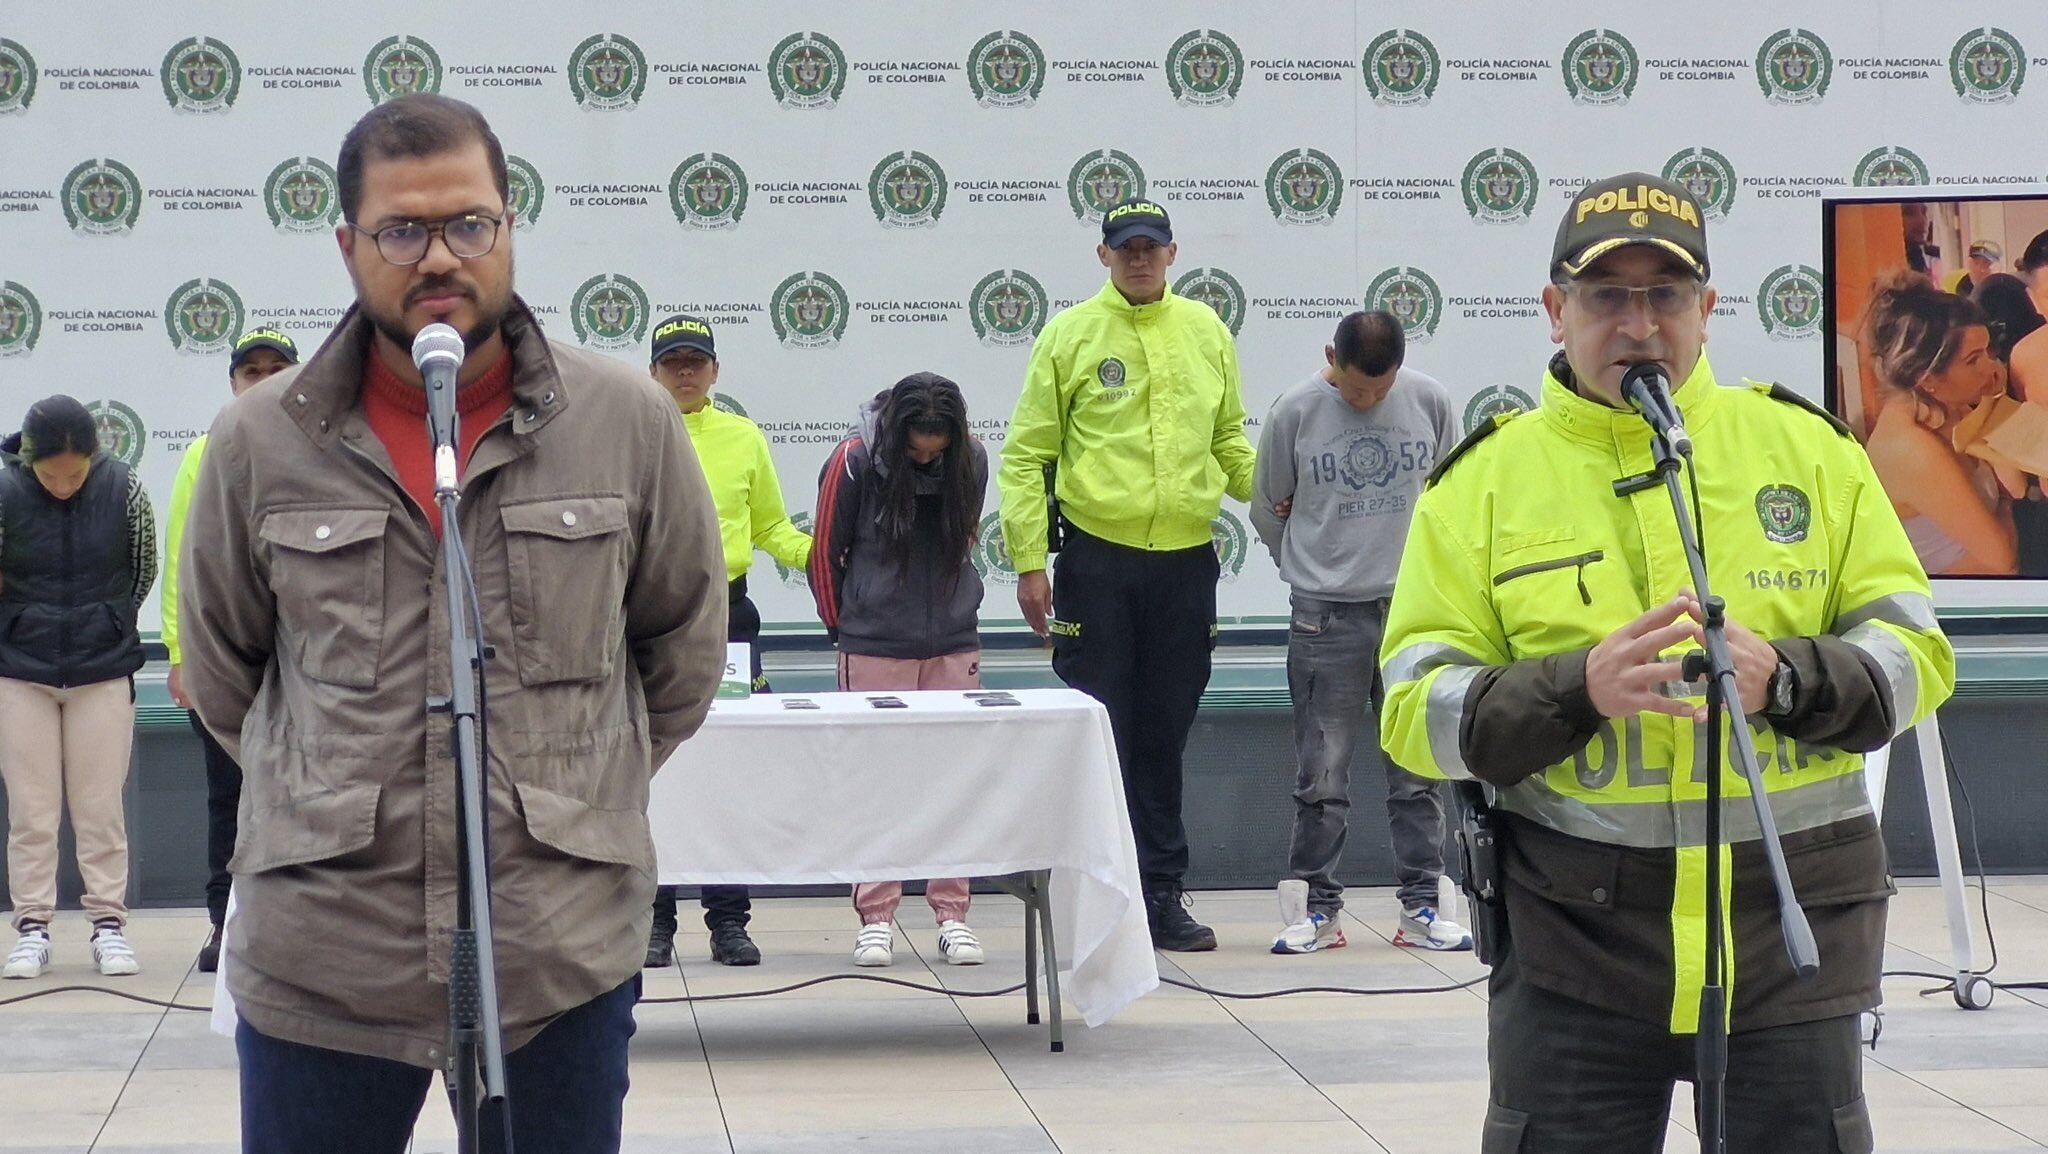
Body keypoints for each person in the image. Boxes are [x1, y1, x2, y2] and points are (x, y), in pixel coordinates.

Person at [177, 94, 727, 1154]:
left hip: (554, 950)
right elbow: (224, 668)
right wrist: (331, 796)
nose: (439, 256)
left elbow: (681, 651)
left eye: (469, 223)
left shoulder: (625, 421)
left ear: (510, 225)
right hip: (326, 957)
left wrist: (563, 793)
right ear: (348, 245)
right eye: (401, 230)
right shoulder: (258, 440)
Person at [1379, 172, 1955, 1151]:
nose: (1639, 324)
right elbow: (1412, 709)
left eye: (1665, 295)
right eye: (1607, 295)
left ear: (1707, 308)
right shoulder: (1480, 484)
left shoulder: (1810, 452)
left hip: (1788, 934)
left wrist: (1786, 678)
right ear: (1555, 310)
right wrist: (1575, 688)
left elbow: (1913, 655)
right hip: (1574, 948)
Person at [998, 198, 1256, 951]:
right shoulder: (1069, 334)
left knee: (1164, 733)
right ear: (1103, 256)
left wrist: (1285, 499)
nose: (1139, 258)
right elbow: (1027, 455)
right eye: (1126, 248)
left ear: (1174, 254)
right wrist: (1028, 563)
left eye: (1151, 247)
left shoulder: (1206, 331)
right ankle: (1092, 898)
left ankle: (1161, 895)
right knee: (1098, 732)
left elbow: (1230, 444)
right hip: (1097, 564)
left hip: (1185, 564)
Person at [1250, 310, 1468, 955]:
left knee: (1418, 768)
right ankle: (1317, 910)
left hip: (1412, 610)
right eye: (1355, 389)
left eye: (1380, 389)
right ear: (1331, 358)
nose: (1368, 401)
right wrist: (1312, 565)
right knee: (1322, 773)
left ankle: (1423, 906)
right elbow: (1267, 509)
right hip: (1325, 615)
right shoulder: (1293, 412)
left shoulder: (1430, 401)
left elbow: (1451, 495)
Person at [643, 314, 811, 970]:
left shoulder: (743, 436)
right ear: (653, 372)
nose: (685, 372)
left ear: (715, 371)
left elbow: (771, 528)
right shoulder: (635, 432)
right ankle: (654, 919)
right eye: (673, 362)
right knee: (655, 771)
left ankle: (729, 920)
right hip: (653, 617)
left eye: (696, 361)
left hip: (730, 618)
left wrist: (830, 555)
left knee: (729, 767)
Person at [809, 372, 989, 968]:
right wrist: (848, 628)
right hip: (874, 644)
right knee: (876, 780)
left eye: (938, 448)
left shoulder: (972, 458)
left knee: (953, 781)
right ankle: (877, 917)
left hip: (953, 641)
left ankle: (952, 914)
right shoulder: (853, 459)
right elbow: (824, 555)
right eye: (916, 448)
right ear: (895, 432)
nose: (927, 457)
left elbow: (964, 539)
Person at [0, 396, 157, 981]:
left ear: (96, 457)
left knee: (100, 809)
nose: (64, 487)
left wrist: (109, 622)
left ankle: (108, 925)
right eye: (50, 476)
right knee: (31, 811)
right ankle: (32, 928)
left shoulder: (124, 487)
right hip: (21, 670)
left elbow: (142, 569)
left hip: (102, 668)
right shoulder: (3, 490)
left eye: (76, 475)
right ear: (28, 461)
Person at [164, 327, 299, 974]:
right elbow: (183, 560)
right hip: (229, 660)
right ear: (233, 383)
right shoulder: (206, 450)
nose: (265, 381)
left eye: (278, 369)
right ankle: (225, 923)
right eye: (252, 372)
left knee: (306, 796)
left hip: (304, 663)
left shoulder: (327, 449)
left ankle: (299, 928)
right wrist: (180, 653)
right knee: (229, 797)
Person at [1862, 270, 2015, 576]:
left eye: (1988, 352)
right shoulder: (1910, 449)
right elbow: (2002, 561)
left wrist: (1995, 398)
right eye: (1973, 359)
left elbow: (2012, 485)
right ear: (1928, 378)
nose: (1991, 367)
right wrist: (2007, 507)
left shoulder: (1947, 405)